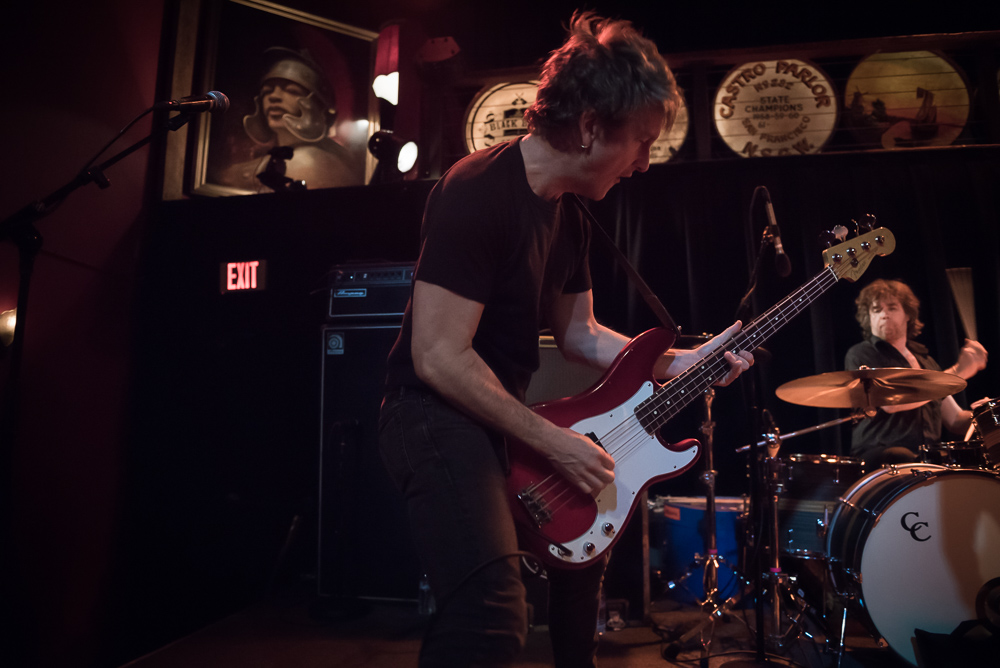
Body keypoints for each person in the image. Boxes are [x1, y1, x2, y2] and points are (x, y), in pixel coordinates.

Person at [377, 12, 753, 668]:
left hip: (496, 418)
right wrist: (553, 441)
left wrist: (680, 363)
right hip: (431, 418)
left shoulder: (569, 212)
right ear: (587, 129)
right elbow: (438, 356)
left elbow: (579, 335)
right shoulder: (476, 192)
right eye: (640, 142)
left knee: (583, 575)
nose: (642, 164)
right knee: (492, 611)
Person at [845, 278, 988, 467]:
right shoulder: (862, 353)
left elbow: (954, 419)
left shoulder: (926, 361)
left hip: (924, 457)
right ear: (868, 318)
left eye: (892, 308)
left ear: (908, 315)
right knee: (901, 455)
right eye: (876, 310)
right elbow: (891, 403)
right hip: (880, 454)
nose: (884, 315)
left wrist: (987, 414)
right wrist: (956, 374)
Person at [216, 47, 363, 192]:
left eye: (292, 91)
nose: (273, 97)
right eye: (267, 91)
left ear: (317, 104)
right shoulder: (269, 159)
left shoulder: (313, 161)